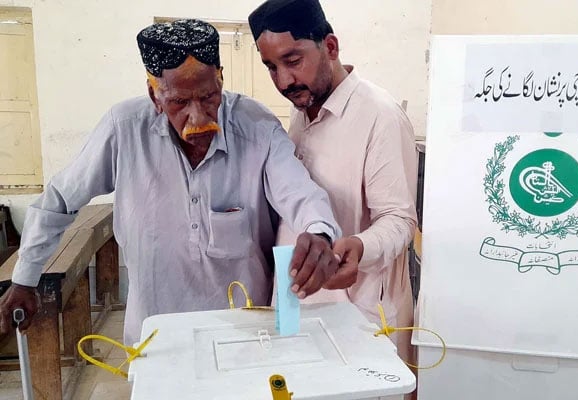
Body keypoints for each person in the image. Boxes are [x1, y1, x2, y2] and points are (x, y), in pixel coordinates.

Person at [0, 19, 343, 346]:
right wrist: (25, 277)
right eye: (179, 101)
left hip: (246, 332)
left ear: (220, 81)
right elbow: (58, 201)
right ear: (155, 96)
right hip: (156, 335)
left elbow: (300, 192)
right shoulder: (124, 129)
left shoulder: (255, 126)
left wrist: (319, 231)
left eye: (209, 97)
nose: (197, 115)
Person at [248, 0, 418, 363]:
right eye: (271, 68)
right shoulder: (301, 111)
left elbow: (400, 220)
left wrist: (358, 245)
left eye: (293, 61)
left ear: (330, 47)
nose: (284, 81)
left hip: (360, 317)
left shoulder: (380, 116)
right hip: (300, 312)